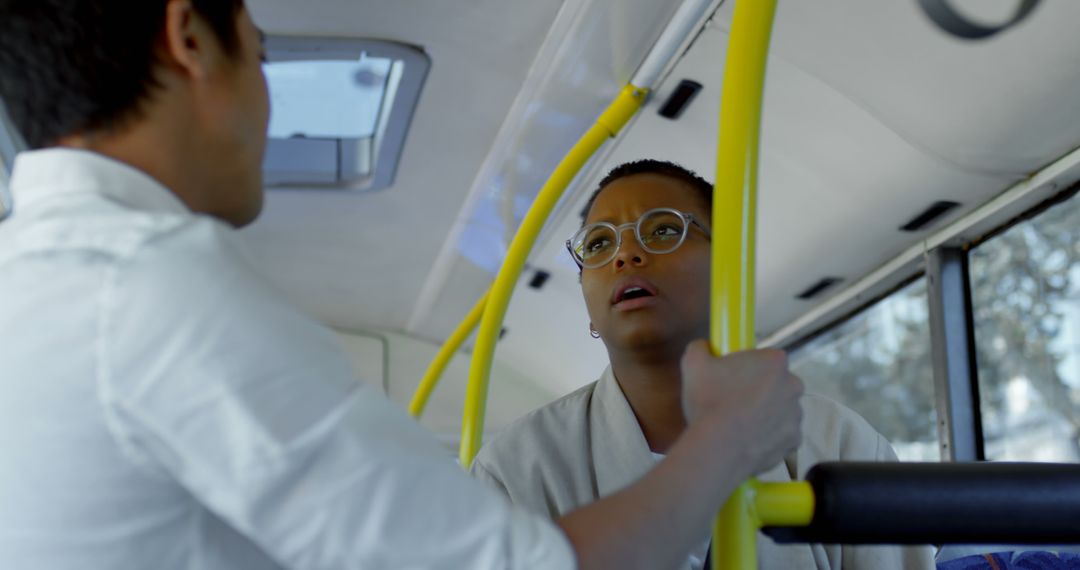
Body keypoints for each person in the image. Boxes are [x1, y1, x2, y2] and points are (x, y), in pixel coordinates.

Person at [0, 2, 806, 568]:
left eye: (664, 235)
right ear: (190, 39)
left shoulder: (34, 282)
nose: (267, 98)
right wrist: (728, 441)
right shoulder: (156, 289)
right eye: (261, 54)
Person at [471, 159, 938, 569]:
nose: (625, 255)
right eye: (597, 244)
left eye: (664, 230)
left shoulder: (836, 441)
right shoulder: (517, 467)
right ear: (586, 298)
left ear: (728, 265)